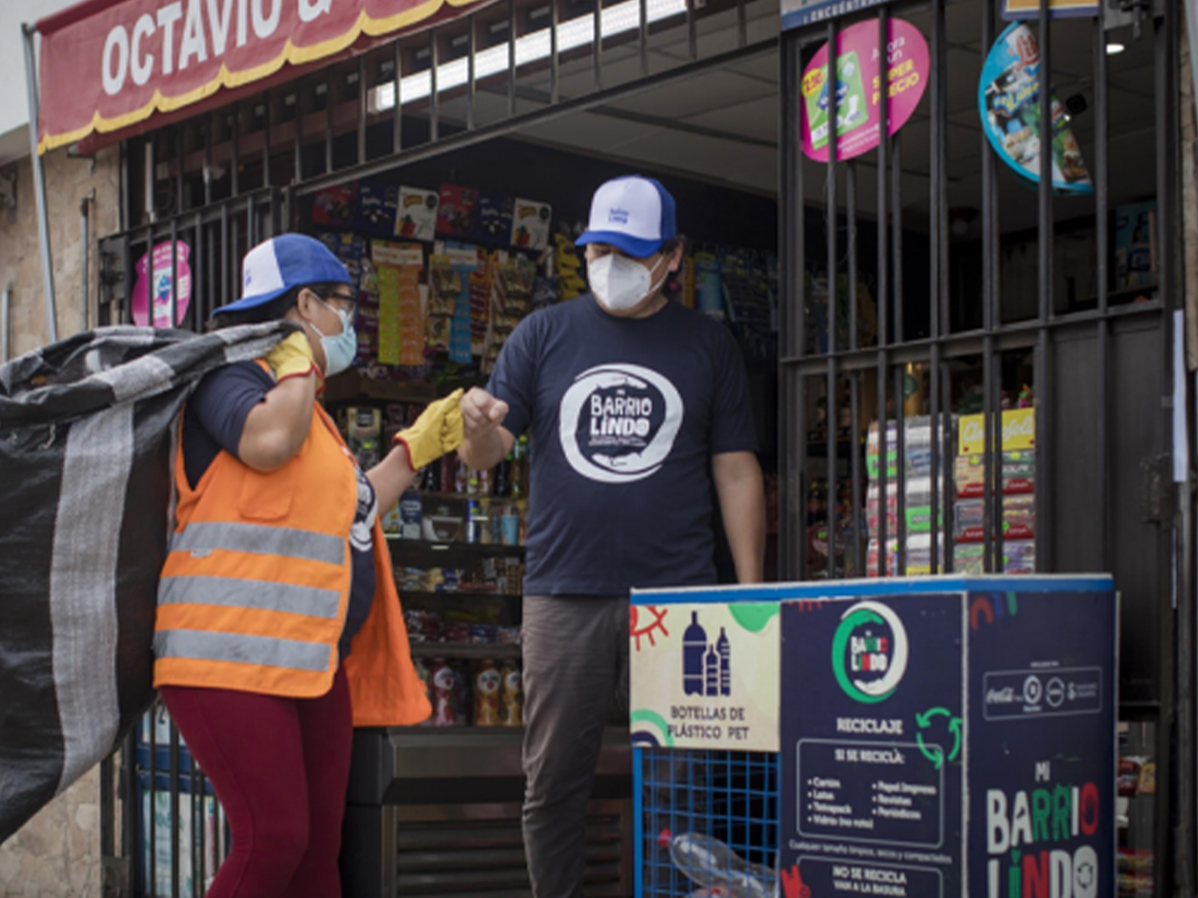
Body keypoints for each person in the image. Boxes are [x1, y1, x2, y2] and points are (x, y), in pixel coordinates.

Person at [458, 175, 766, 898]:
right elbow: (489, 449)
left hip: (680, 596)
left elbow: (736, 471)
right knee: (553, 778)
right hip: (564, 591)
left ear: (671, 257)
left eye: (631, 251)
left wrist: (753, 594)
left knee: (680, 781)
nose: (611, 263)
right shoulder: (543, 333)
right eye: (600, 248)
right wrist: (473, 428)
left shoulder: (707, 344)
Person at [153, 234, 458, 898]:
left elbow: (356, 508)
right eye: (345, 305)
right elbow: (265, 444)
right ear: (306, 304)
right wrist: (294, 366)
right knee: (275, 838)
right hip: (225, 655)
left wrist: (420, 443)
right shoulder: (227, 379)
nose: (351, 323)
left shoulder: (313, 417)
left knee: (320, 853)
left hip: (306, 663)